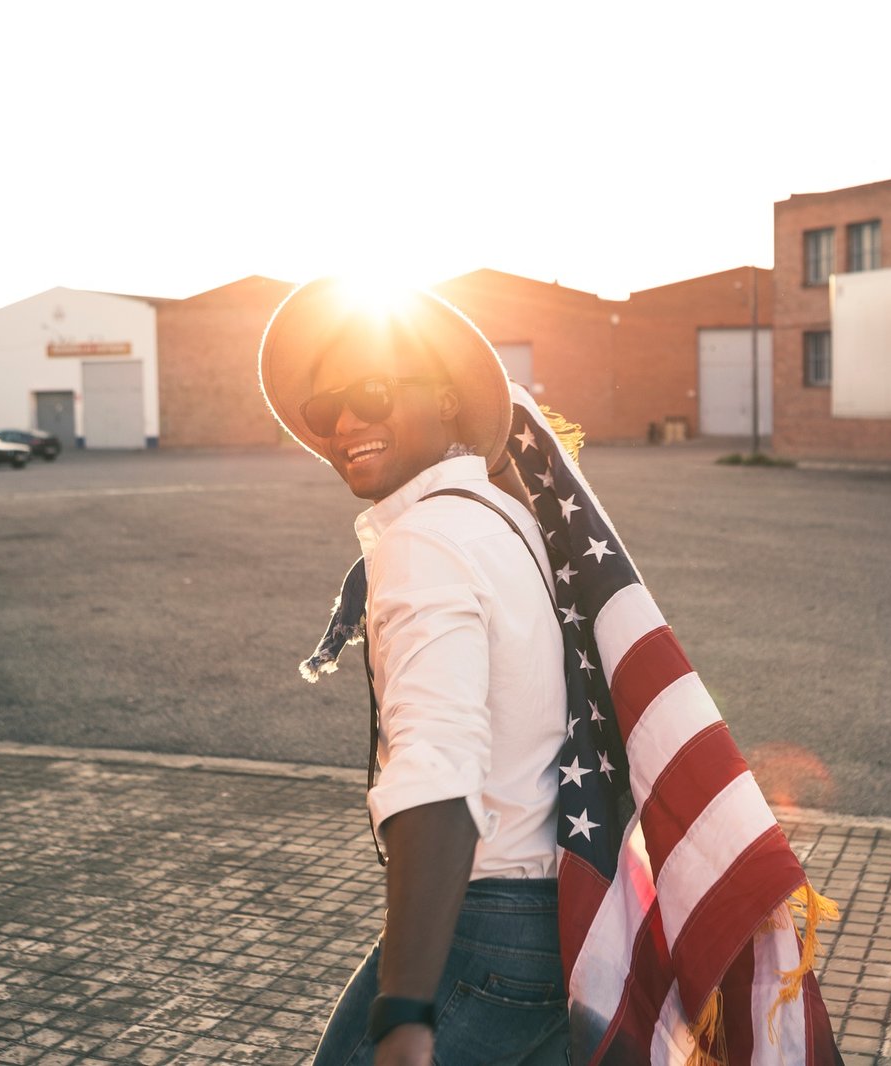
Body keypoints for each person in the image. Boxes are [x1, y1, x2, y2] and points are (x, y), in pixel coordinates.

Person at [259, 278, 570, 1066]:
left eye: (369, 392)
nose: (347, 425)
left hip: (479, 930)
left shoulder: (423, 541)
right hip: (550, 923)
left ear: (446, 401)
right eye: (324, 412)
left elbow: (437, 766)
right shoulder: (503, 517)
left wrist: (405, 1013)